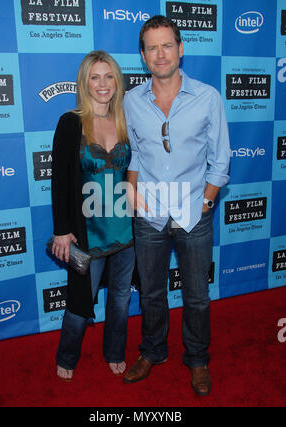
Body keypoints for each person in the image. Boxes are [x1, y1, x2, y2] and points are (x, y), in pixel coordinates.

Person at [123, 16, 230, 396]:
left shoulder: (208, 97)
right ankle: (152, 352)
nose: (160, 54)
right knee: (151, 292)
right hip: (148, 215)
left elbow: (221, 159)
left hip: (193, 214)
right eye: (152, 47)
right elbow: (135, 155)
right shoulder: (131, 101)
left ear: (180, 49)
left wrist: (206, 201)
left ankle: (198, 359)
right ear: (143, 55)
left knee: (197, 295)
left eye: (167, 45)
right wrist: (133, 195)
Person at [51, 50, 135, 381]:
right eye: (94, 77)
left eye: (108, 76)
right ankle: (67, 355)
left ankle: (115, 351)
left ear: (117, 81)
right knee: (78, 304)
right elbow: (58, 181)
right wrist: (62, 231)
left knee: (120, 300)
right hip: (89, 232)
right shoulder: (71, 122)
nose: (102, 84)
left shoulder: (126, 120)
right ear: (85, 83)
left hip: (127, 231)